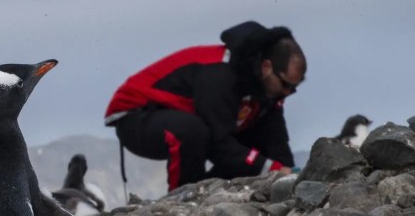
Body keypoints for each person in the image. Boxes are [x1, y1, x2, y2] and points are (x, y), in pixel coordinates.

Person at [104, 21, 306, 192]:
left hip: (184, 117)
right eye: (286, 84)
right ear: (266, 67)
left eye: (295, 87)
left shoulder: (266, 90)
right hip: (134, 117)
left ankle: (213, 193)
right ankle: (185, 197)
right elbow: (218, 142)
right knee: (194, 131)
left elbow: (275, 139)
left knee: (251, 142)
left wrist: (290, 176)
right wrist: (271, 169)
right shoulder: (220, 75)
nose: (289, 92)